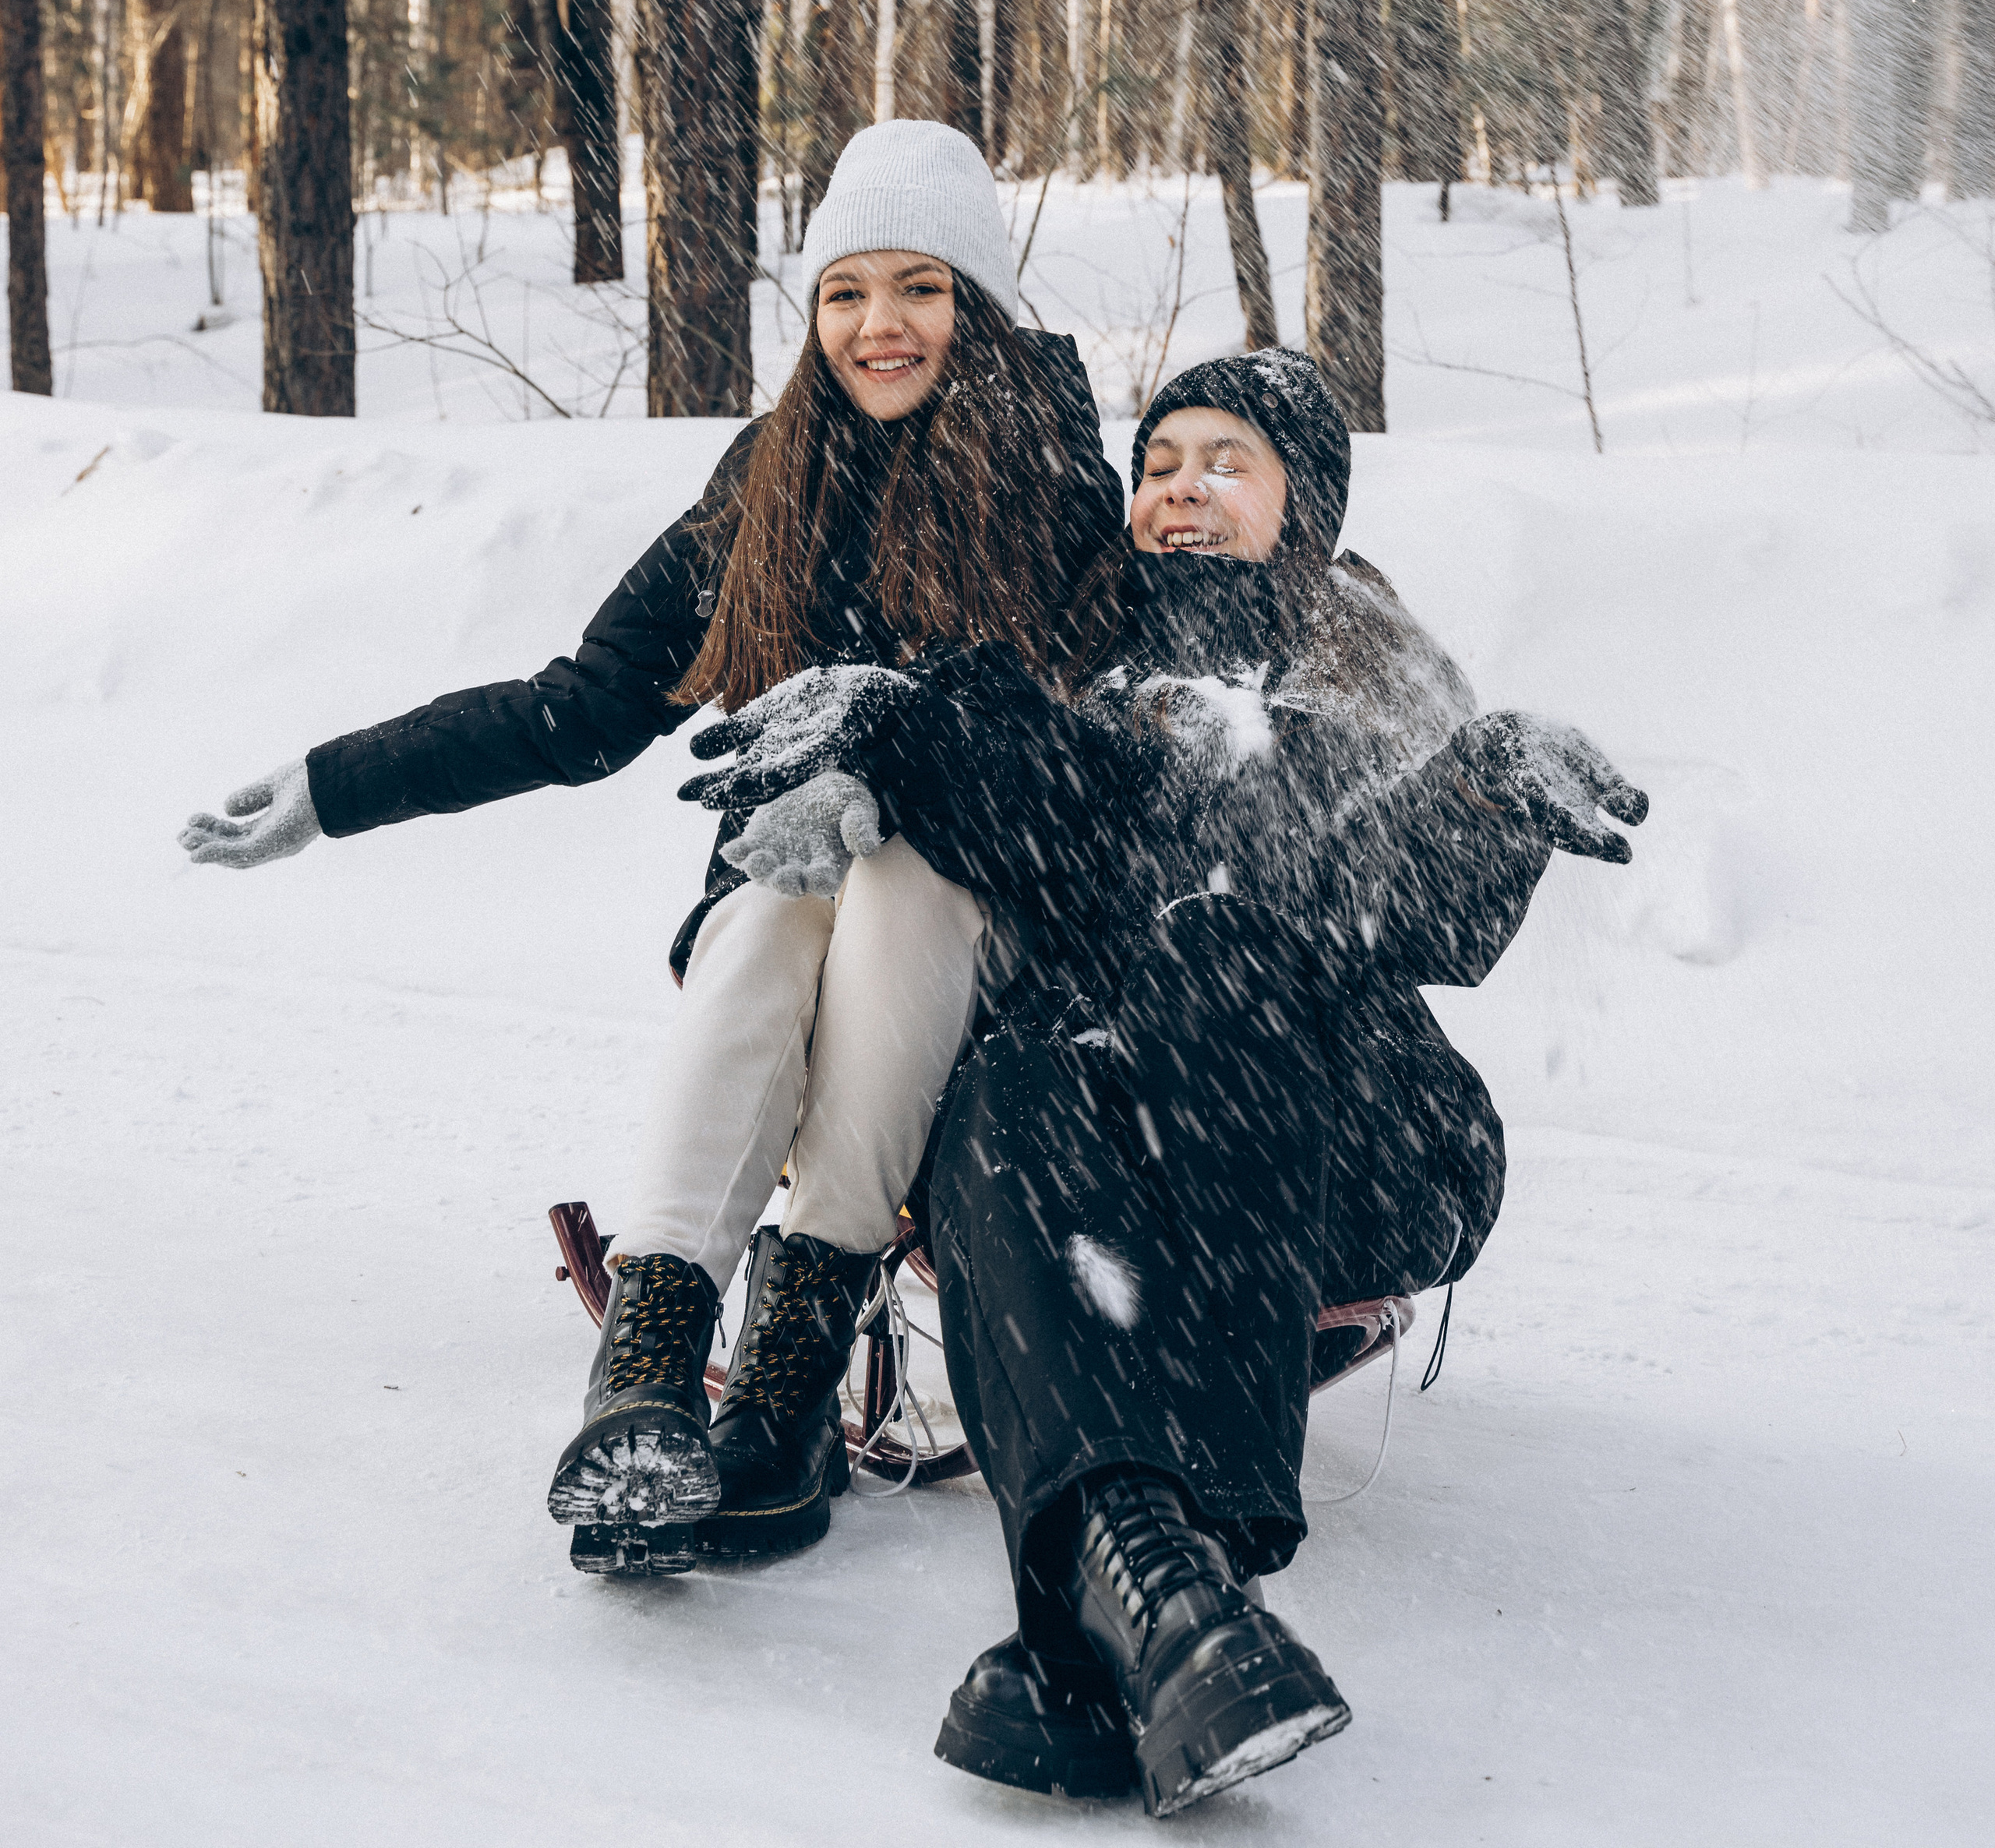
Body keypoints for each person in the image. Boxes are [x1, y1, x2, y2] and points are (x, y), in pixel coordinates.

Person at [683, 348, 1646, 1814]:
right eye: (1158, 463)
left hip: (1355, 1139)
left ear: (1303, 504)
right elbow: (1040, 803)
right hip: (1105, 1148)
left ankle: (1191, 1558)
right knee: (1000, 1091)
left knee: (1214, 947)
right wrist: (892, 720)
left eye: (1226, 462)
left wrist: (1480, 791)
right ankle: (1156, 1601)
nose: (1179, 490)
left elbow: (1368, 904)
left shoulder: (1367, 675)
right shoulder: (1071, 667)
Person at [178, 122, 1124, 1574]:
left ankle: (792, 1378)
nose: (881, 326)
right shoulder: (774, 474)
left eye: (922, 287)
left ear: (979, 303)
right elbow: (582, 704)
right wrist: (334, 783)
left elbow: (1065, 763)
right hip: (794, 914)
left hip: (978, 924)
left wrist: (899, 767)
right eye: (846, 291)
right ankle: (651, 1367)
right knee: (764, 903)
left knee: (887, 884)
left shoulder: (1054, 473)